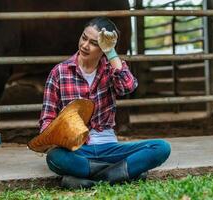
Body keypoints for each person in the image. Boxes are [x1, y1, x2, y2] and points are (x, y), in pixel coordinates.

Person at [39, 17, 171, 189]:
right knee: (55, 158)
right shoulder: (59, 72)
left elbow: (128, 87)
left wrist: (111, 53)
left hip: (109, 147)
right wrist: (51, 136)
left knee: (161, 148)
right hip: (77, 150)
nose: (85, 45)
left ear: (103, 47)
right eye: (84, 37)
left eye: (94, 43)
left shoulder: (111, 69)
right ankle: (119, 174)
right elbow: (47, 119)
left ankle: (85, 181)